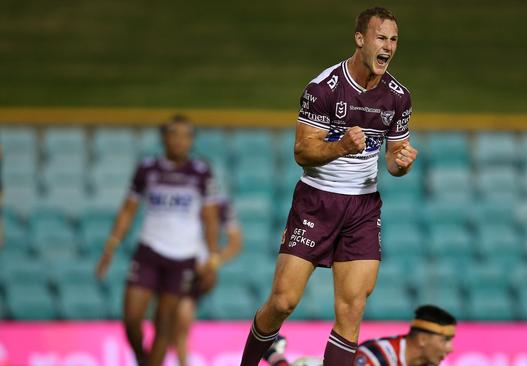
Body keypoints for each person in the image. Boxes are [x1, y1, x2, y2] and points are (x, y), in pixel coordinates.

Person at [240, 7, 418, 366]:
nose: (388, 46)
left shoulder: (398, 97)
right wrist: (341, 146)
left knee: (352, 310)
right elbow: (302, 152)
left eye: (394, 39)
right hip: (317, 202)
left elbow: (394, 157)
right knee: (283, 301)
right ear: (360, 39)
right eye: (381, 37)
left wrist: (400, 165)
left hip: (363, 208)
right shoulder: (323, 89)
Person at [95, 115, 221, 366]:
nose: (180, 141)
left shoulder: (201, 172)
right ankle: (143, 359)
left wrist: (212, 258)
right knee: (131, 319)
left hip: (183, 257)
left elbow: (209, 218)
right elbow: (128, 209)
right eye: (175, 135)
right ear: (164, 138)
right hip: (149, 250)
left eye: (186, 136)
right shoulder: (147, 168)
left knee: (164, 325)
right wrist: (111, 246)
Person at [263, 305, 457, 366]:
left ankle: (274, 350)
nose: (450, 348)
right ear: (423, 339)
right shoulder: (377, 356)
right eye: (445, 340)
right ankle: (272, 351)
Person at [174, 193, 242, 366]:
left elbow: (235, 242)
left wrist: (213, 262)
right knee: (173, 325)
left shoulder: (221, 204)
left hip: (195, 270)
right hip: (174, 263)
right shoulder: (182, 199)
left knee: (180, 323)